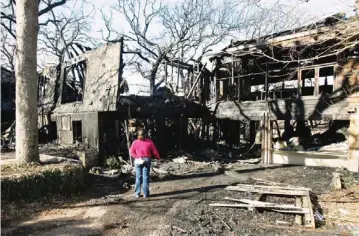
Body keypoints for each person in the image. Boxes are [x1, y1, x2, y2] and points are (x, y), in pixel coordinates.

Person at [129, 129, 160, 198]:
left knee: (138, 177)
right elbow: (154, 151)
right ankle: (145, 194)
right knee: (145, 177)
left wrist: (137, 157)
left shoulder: (135, 142)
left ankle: (137, 193)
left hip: (138, 160)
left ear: (138, 135)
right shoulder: (149, 141)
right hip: (147, 159)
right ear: (145, 135)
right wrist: (158, 158)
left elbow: (131, 152)